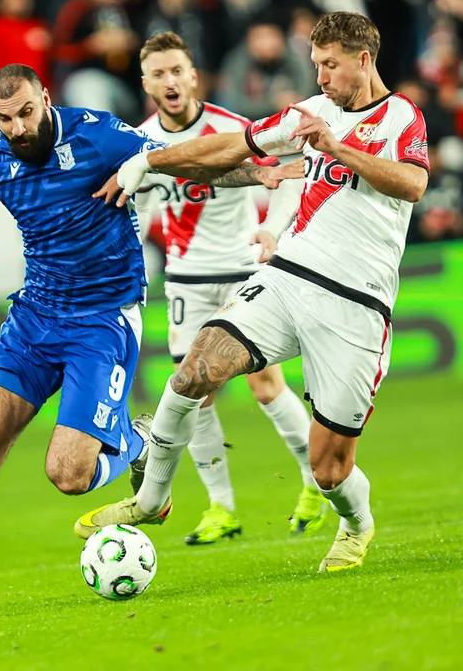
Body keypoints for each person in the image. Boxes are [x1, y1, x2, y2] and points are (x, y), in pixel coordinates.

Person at [76, 12, 429, 575]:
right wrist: (146, 160)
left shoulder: (400, 115)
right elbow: (229, 147)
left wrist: (337, 150)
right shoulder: (307, 113)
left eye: (330, 65)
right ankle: (150, 501)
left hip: (356, 302)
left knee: (329, 470)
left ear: (364, 60)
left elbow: (413, 183)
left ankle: (356, 524)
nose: (320, 77)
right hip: (287, 277)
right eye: (315, 65)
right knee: (193, 372)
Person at [0, 64, 169, 622]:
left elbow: (169, 157)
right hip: (34, 318)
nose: (19, 127)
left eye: (26, 111)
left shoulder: (98, 134)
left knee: (69, 476)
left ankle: (141, 442)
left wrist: (254, 167)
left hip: (101, 319)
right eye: (5, 118)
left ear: (45, 98)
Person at [133, 32, 326, 545]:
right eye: (159, 73)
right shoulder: (141, 141)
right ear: (146, 83)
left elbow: (287, 174)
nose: (170, 80)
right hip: (185, 279)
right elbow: (140, 203)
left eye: (178, 70)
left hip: (243, 270)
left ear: (193, 75)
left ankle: (313, 483)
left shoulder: (232, 128)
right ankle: (221, 507)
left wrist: (272, 229)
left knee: (266, 385)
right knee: (193, 394)